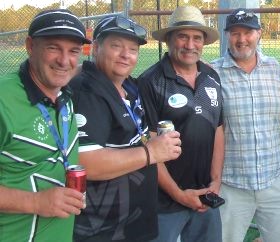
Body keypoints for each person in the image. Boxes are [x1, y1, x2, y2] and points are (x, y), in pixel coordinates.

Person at [69, 16, 182, 242]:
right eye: (116, 46)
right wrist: (151, 152)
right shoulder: (88, 91)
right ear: (96, 47)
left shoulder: (128, 85)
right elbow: (85, 162)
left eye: (132, 49)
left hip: (133, 222)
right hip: (102, 229)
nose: (125, 55)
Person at [0, 9, 90, 241]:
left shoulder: (64, 97)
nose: (64, 60)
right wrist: (35, 201)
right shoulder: (3, 99)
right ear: (30, 46)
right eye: (53, 48)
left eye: (73, 51)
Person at [138, 6, 224, 242]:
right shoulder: (150, 82)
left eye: (197, 38)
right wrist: (178, 194)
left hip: (206, 195)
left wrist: (215, 181)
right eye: (183, 36)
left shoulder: (211, 76)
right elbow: (149, 147)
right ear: (169, 40)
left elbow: (218, 129)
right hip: (164, 203)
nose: (190, 44)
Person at [210, 8, 280, 242]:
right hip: (232, 183)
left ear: (258, 33)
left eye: (247, 32)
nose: (241, 39)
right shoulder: (212, 72)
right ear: (227, 35)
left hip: (274, 180)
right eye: (235, 33)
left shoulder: (274, 67)